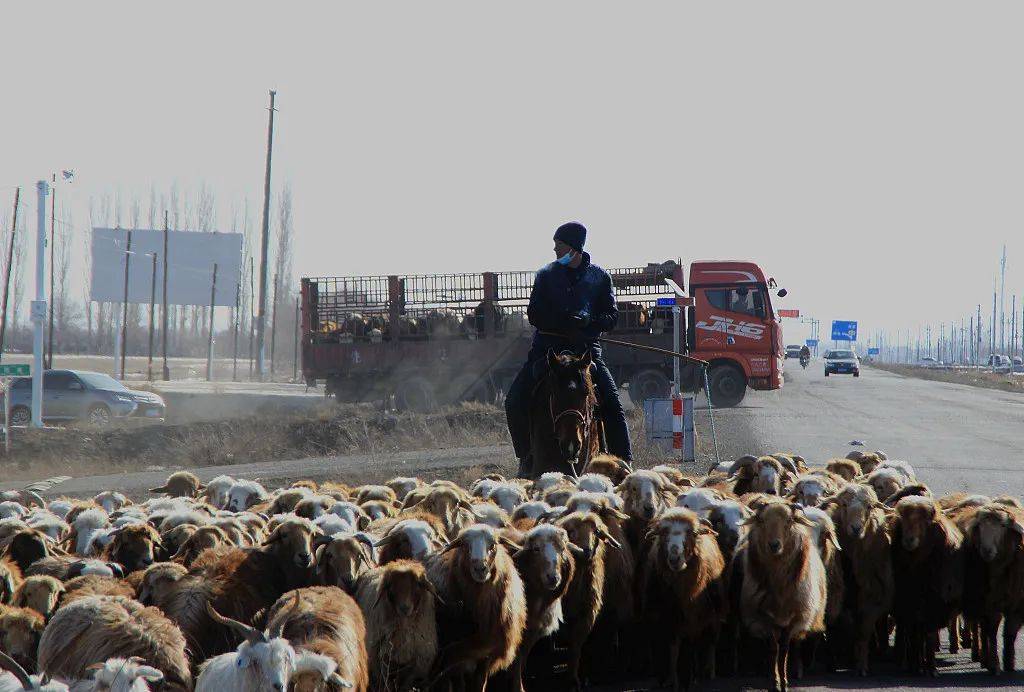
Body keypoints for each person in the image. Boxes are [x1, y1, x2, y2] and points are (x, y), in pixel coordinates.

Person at [504, 221, 632, 478]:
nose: (554, 250)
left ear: (573, 248)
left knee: (614, 406)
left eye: (558, 245)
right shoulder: (545, 275)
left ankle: (624, 465)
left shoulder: (599, 277)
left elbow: (611, 317)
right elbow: (534, 314)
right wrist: (562, 318)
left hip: (587, 354)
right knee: (514, 400)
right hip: (547, 352)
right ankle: (526, 457)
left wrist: (589, 321)